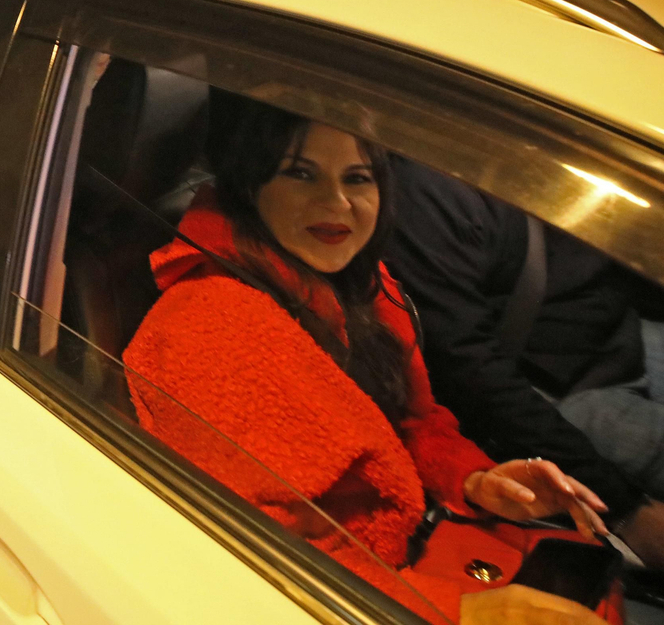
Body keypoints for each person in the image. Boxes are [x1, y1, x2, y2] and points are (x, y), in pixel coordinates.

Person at [125, 96, 610, 625]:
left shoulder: (360, 287)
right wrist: (464, 611)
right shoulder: (211, 327)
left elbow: (412, 424)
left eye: (358, 178)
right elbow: (259, 560)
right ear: (251, 188)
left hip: (402, 561)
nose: (337, 202)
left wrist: (478, 482)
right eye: (301, 174)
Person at [387, 158, 664, 571]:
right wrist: (627, 512)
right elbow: (467, 374)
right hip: (558, 392)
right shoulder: (429, 188)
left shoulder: (550, 153)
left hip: (621, 333)